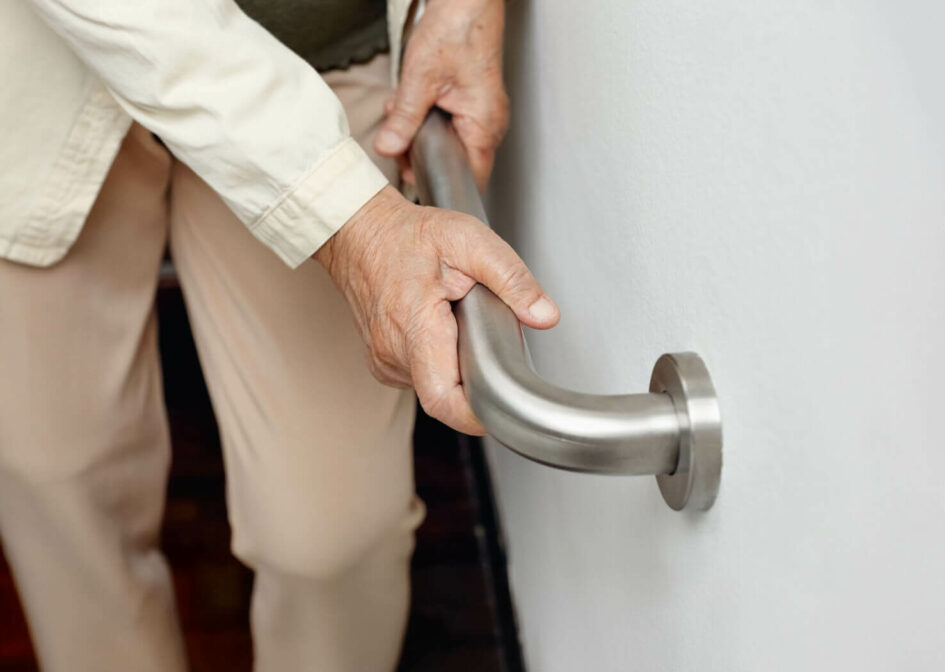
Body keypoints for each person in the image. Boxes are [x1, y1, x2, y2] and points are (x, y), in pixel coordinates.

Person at [0, 0, 559, 669]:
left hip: (326, 54)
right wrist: (356, 225)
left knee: (333, 536)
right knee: (58, 482)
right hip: (48, 60)